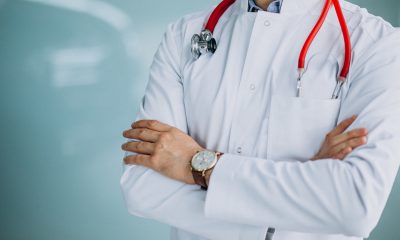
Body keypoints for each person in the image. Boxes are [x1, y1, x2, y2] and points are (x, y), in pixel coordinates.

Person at [120, 0, 400, 239]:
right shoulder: (183, 35)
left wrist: (200, 165)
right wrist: (303, 198)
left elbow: (356, 203)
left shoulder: (377, 45)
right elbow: (144, 188)